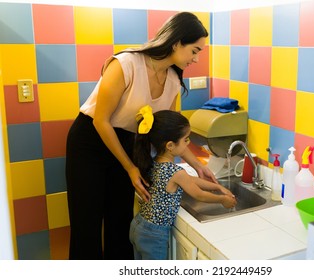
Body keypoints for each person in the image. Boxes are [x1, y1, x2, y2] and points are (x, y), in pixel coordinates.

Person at [66, 12, 214, 260]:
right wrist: (130, 168)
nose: (196, 59)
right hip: (90, 142)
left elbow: (173, 134)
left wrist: (198, 165)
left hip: (127, 144)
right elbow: (101, 120)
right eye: (195, 51)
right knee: (87, 227)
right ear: (177, 42)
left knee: (120, 221)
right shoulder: (125, 64)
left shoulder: (173, 80)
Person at [130, 106, 237, 260]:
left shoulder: (153, 163)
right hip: (155, 235)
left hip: (139, 226)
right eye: (186, 139)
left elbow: (192, 181)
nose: (188, 143)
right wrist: (222, 199)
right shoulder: (176, 172)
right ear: (170, 146)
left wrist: (218, 187)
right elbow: (198, 194)